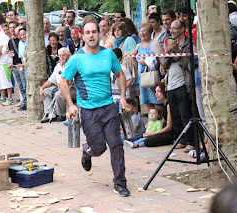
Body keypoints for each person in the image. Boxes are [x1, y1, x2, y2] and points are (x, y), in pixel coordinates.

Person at [60, 18, 130, 197]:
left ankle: (120, 183)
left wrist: (122, 97)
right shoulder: (77, 59)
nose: (91, 35)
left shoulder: (108, 54)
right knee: (99, 149)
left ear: (99, 34)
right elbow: (63, 82)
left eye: (94, 32)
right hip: (88, 111)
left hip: (108, 107)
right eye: (88, 32)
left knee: (116, 145)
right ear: (83, 36)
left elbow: (120, 74)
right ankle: (87, 151)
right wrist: (70, 105)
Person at [161, 20, 194, 152]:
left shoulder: (188, 43)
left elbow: (187, 63)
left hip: (183, 83)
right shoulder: (169, 42)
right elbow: (163, 65)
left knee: (185, 113)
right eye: (170, 29)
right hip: (170, 84)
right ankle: (182, 139)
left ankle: (191, 141)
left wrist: (177, 49)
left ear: (182, 29)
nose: (172, 31)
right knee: (175, 115)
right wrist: (168, 51)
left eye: (175, 28)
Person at [132, 23, 163, 113]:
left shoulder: (154, 44)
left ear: (149, 32)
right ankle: (151, 124)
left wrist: (145, 62)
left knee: (157, 101)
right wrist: (133, 57)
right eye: (140, 31)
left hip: (153, 76)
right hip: (143, 77)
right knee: (147, 102)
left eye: (144, 31)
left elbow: (161, 60)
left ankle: (160, 123)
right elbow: (136, 64)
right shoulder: (138, 46)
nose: (142, 33)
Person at [40, 47, 75, 123]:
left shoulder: (71, 65)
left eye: (63, 55)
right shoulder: (58, 66)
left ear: (68, 56)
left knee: (58, 94)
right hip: (58, 87)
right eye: (60, 56)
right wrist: (42, 88)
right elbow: (51, 80)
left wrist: (63, 84)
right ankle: (51, 115)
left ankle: (61, 114)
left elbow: (74, 81)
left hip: (70, 88)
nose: (61, 57)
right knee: (46, 91)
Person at [9, 21, 27, 111]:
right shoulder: (19, 43)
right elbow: (21, 56)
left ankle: (27, 102)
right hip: (18, 65)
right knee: (20, 84)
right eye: (21, 35)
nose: (23, 36)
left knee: (25, 84)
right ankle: (24, 102)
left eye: (24, 34)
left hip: (25, 66)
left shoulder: (28, 42)